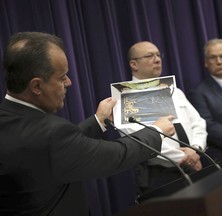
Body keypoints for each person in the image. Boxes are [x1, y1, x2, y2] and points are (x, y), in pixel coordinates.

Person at [0, 32, 176, 216]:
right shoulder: (51, 133)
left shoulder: (9, 119)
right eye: (61, 77)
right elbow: (116, 156)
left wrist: (99, 120)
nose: (69, 82)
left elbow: (62, 148)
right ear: (36, 86)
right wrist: (157, 131)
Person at [123, 41, 206, 195]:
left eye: (158, 55)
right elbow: (139, 141)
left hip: (194, 165)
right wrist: (186, 158)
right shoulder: (127, 99)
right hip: (162, 175)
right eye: (149, 56)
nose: (157, 59)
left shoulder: (174, 90)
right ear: (134, 64)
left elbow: (198, 123)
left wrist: (196, 149)